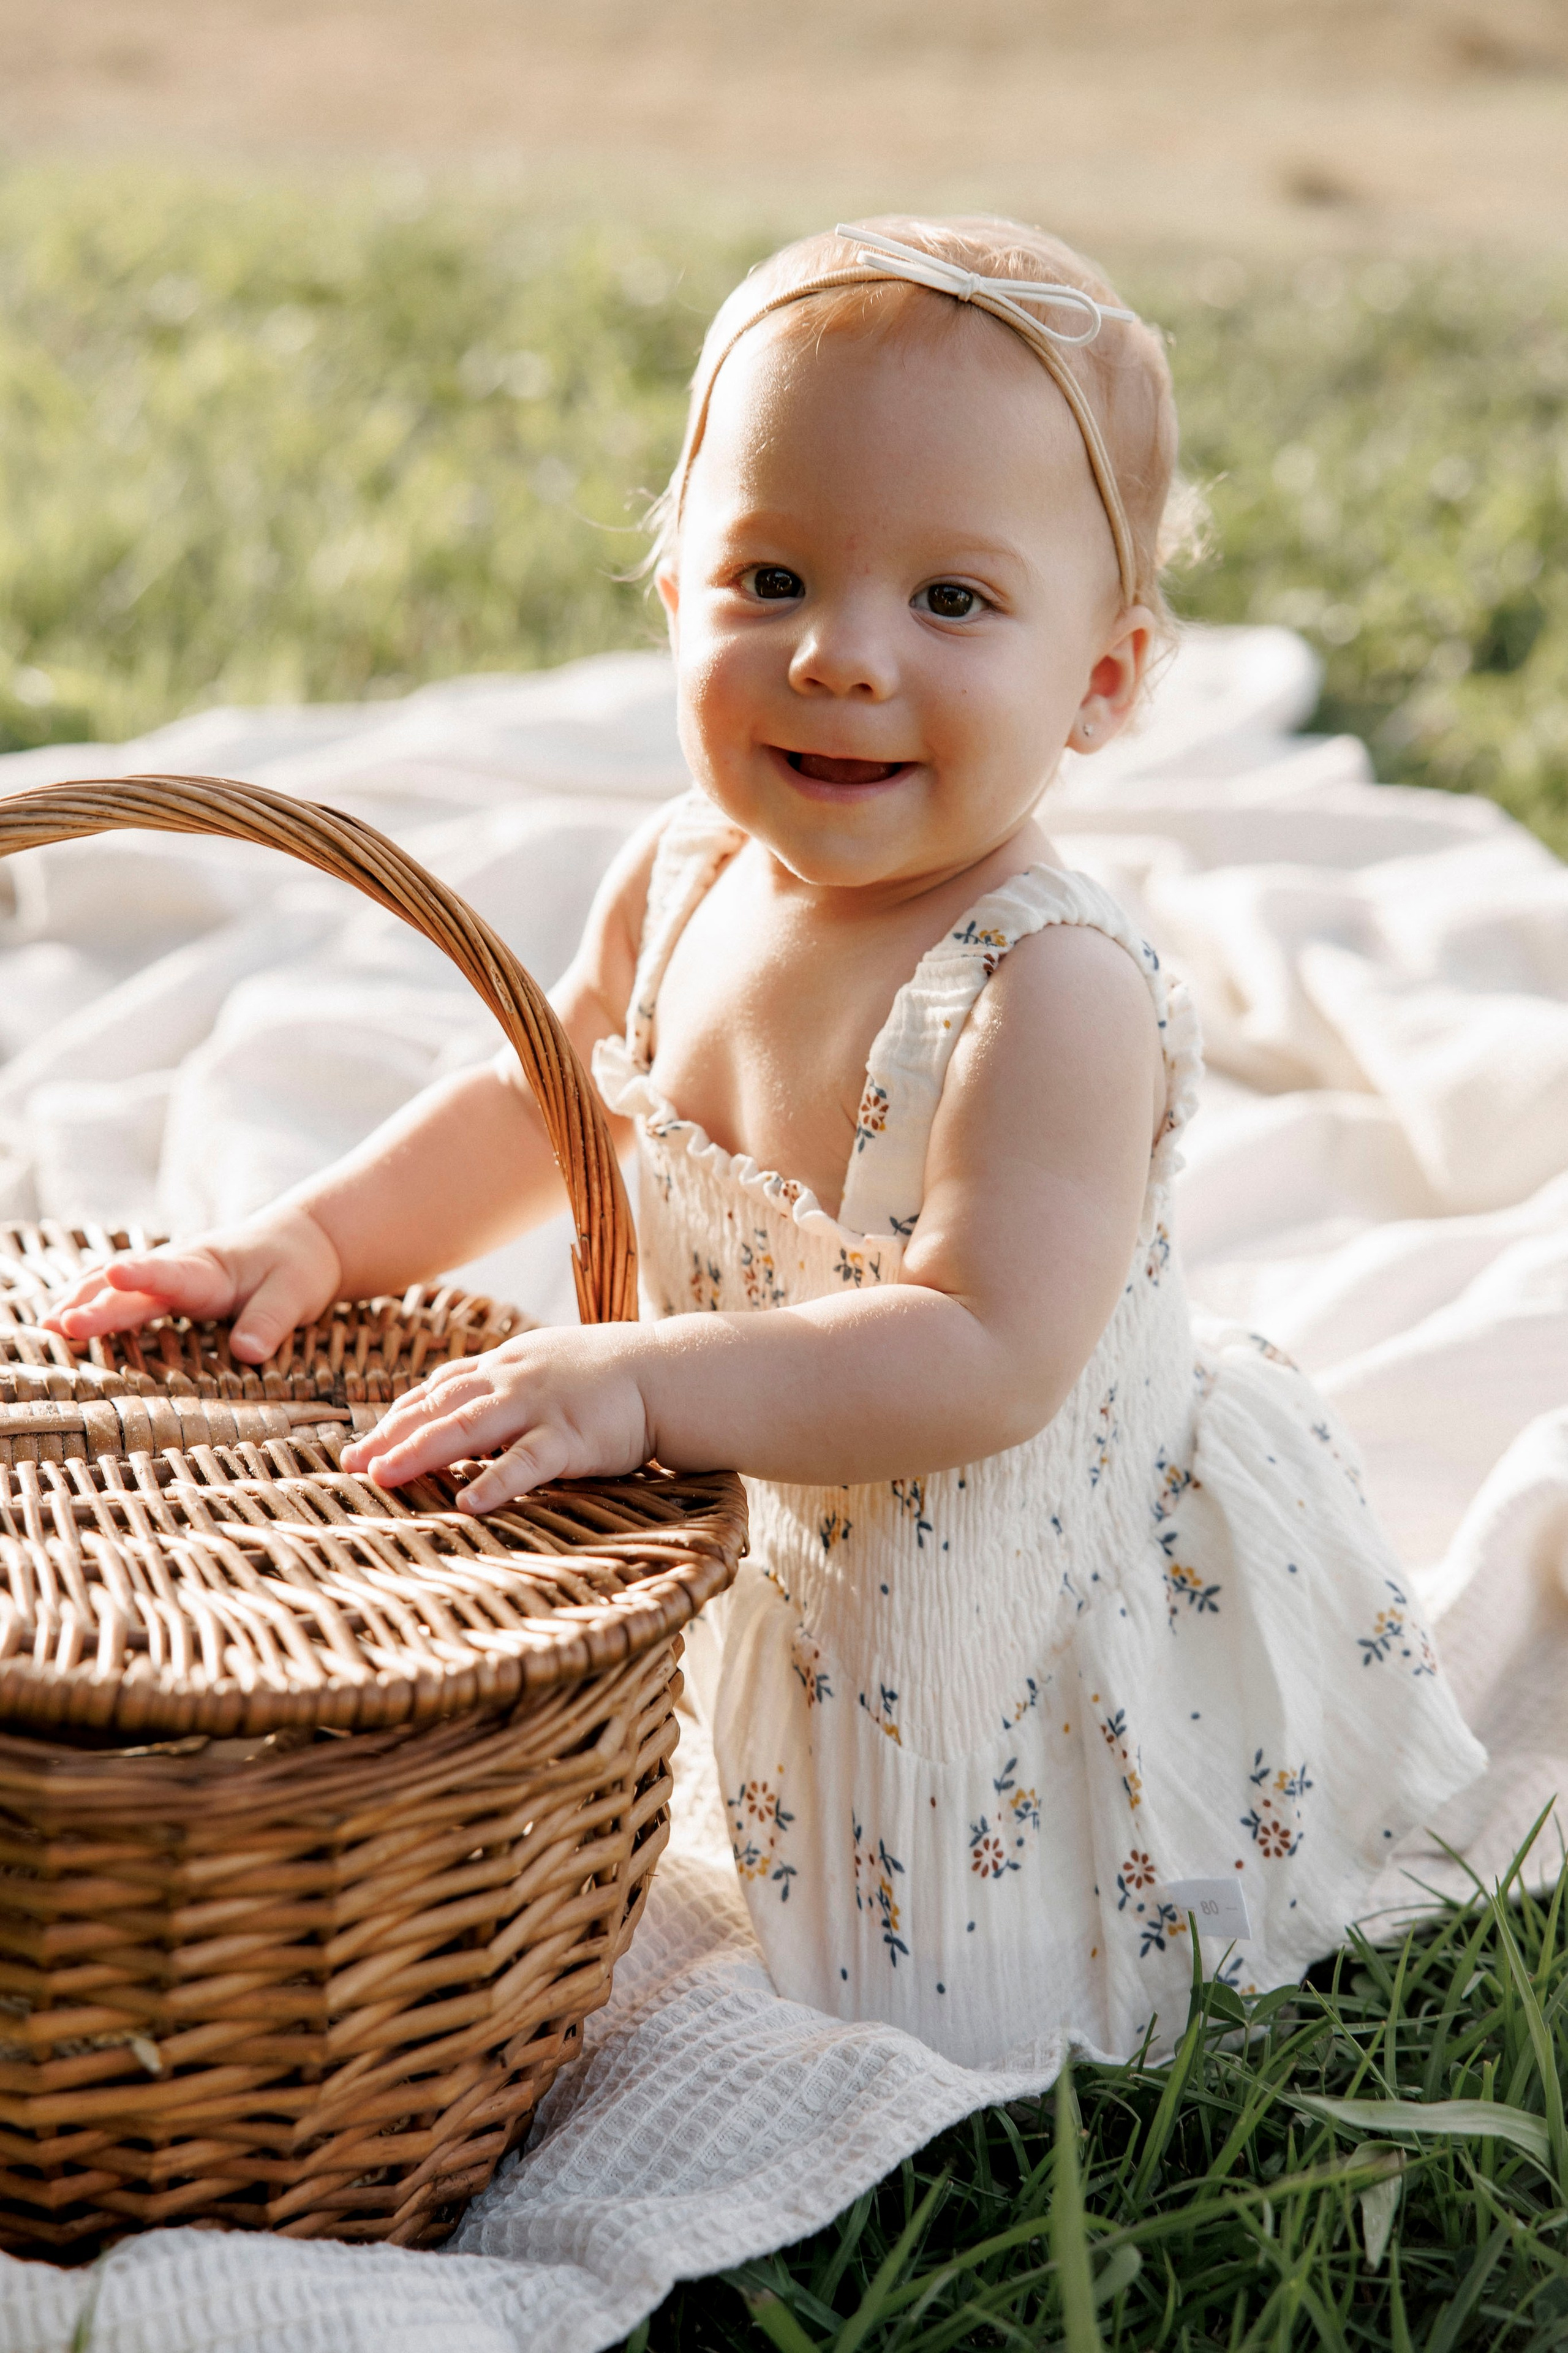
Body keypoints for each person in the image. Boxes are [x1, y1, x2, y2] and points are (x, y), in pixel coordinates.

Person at [46, 217, 1483, 2069]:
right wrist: (309, 1246)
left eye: (954, 602)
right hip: (778, 1529)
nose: (841, 657)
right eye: (773, 573)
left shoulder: (1047, 987)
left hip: (990, 1606)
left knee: (883, 2008)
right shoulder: (687, 868)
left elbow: (982, 1351)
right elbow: (541, 1091)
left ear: (1109, 681)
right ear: (672, 598)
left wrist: (642, 1386)